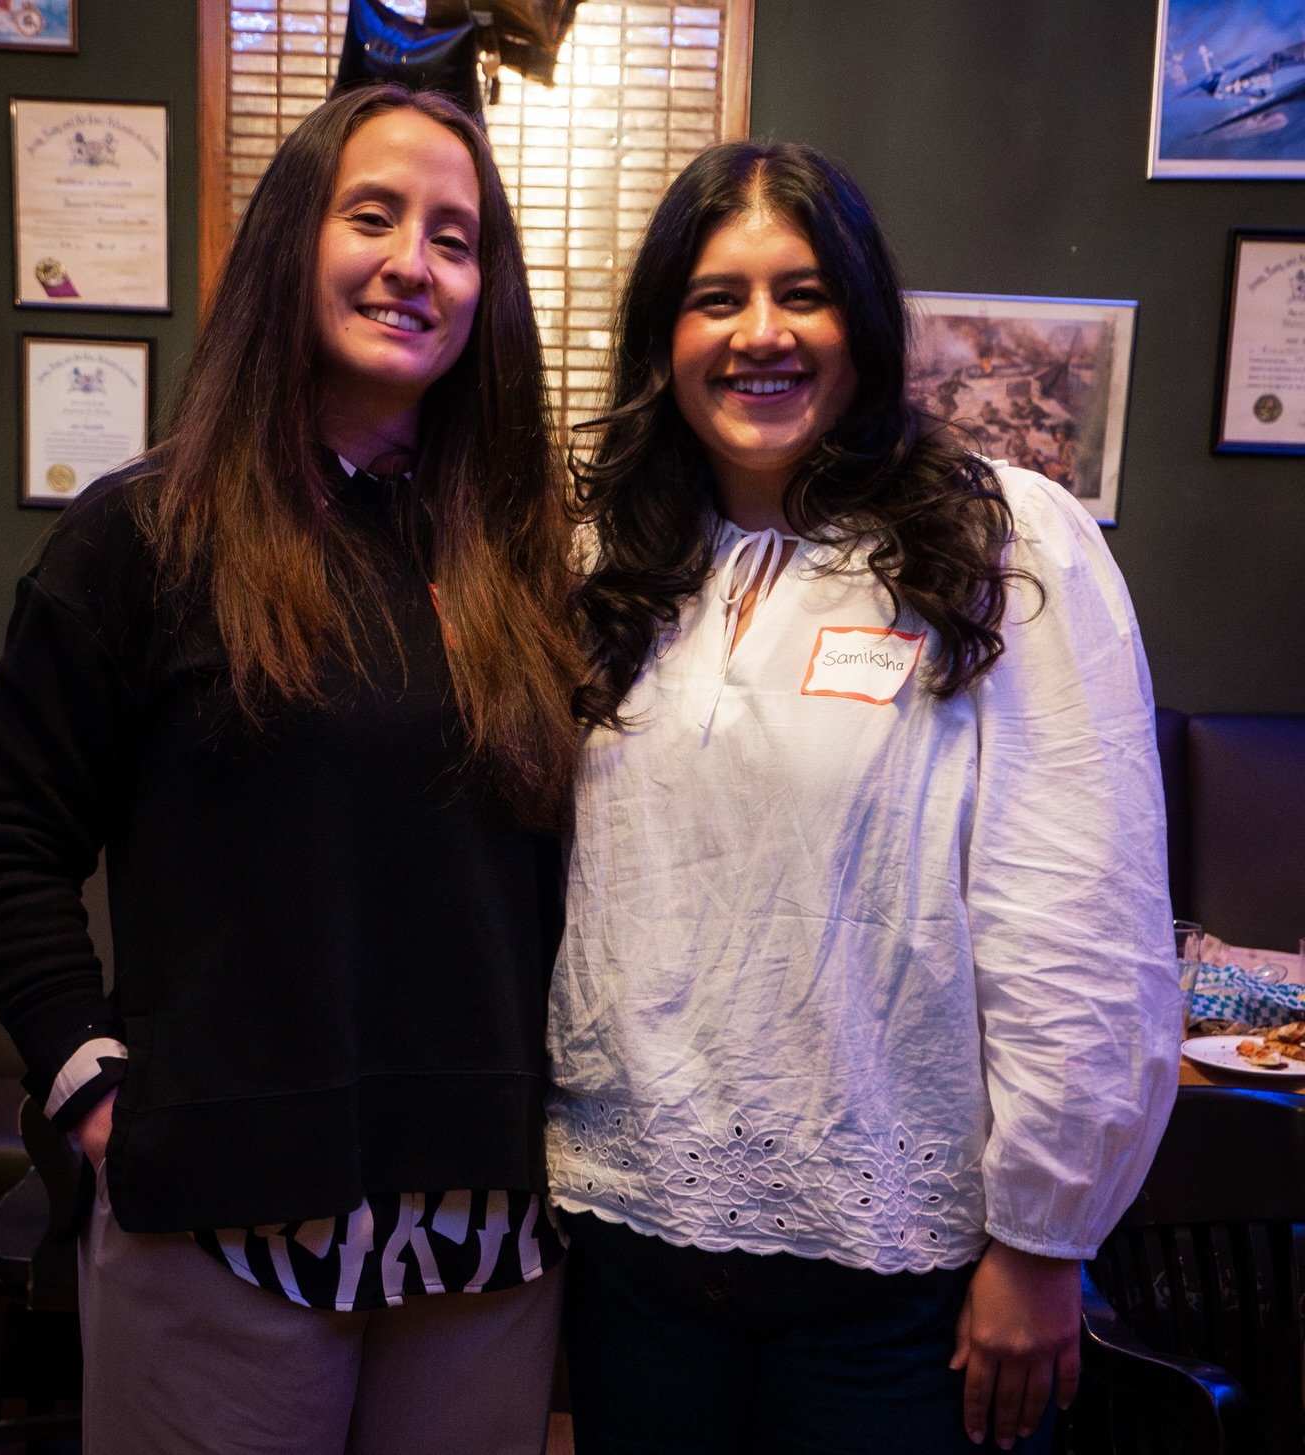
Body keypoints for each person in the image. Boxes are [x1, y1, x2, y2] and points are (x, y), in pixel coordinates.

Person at [0, 83, 582, 1455]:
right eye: (375, 216)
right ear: (291, 240)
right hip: (220, 1218)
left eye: (458, 237)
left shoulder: (525, 564)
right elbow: (11, 847)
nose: (414, 263)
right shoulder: (139, 540)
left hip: (483, 1229)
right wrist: (96, 1096)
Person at [548, 140, 1178, 1455]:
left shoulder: (1005, 541)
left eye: (804, 292)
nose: (759, 334)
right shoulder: (603, 560)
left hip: (900, 1282)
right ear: (664, 334)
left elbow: (1078, 914)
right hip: (630, 1244)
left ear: (867, 324)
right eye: (716, 298)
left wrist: (1045, 1239)